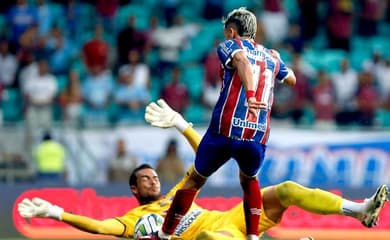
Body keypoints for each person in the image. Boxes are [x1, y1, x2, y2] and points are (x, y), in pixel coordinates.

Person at [18, 99, 388, 240]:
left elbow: (206, 160)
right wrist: (55, 212)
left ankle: (359, 210)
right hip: (212, 239)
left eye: (153, 176)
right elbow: (99, 227)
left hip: (234, 220)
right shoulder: (134, 221)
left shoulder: (178, 194)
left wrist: (181, 123)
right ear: (133, 190)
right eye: (144, 179)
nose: (152, 179)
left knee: (287, 188)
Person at [158, 7, 296, 240]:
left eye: (225, 33)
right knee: (249, 180)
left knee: (195, 179)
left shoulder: (230, 47)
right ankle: (253, 236)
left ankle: (164, 235)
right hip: (255, 136)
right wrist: (278, 69)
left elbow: (241, 60)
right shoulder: (273, 56)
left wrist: (251, 95)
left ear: (232, 32)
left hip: (224, 132)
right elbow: (290, 79)